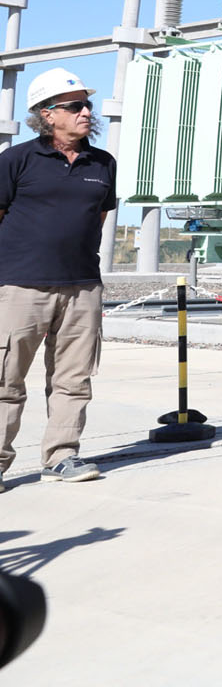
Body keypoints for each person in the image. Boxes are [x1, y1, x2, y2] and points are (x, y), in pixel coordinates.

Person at [0, 68, 117, 487]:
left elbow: (98, 216)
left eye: (87, 104)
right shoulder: (16, 160)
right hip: (21, 286)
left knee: (73, 378)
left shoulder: (102, 163)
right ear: (47, 114)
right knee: (5, 378)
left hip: (82, 286)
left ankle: (62, 457)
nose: (87, 111)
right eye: (75, 105)